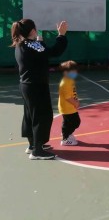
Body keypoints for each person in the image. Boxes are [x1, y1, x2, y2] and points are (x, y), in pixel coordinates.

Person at [12, 19, 68, 160]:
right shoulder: (33, 46)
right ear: (32, 30)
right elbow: (55, 51)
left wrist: (40, 41)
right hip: (36, 86)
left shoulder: (22, 44)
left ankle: (33, 145)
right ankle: (37, 151)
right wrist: (61, 35)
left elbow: (41, 51)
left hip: (26, 85)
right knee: (42, 116)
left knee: (30, 115)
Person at [58, 60, 81, 146]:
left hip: (70, 107)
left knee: (68, 122)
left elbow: (72, 93)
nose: (75, 73)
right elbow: (68, 97)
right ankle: (65, 138)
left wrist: (76, 101)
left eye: (75, 71)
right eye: (73, 71)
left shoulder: (69, 80)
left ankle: (66, 133)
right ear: (66, 72)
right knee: (75, 122)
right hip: (67, 107)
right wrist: (75, 103)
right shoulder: (65, 82)